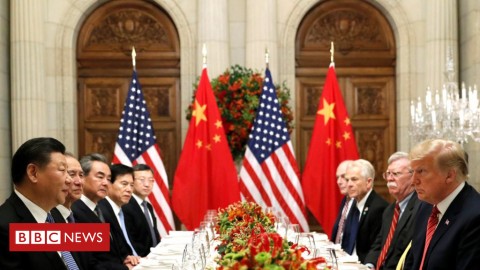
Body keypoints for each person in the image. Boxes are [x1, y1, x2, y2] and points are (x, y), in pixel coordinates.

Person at [0, 137, 77, 269]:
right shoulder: (5, 228)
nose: (70, 180)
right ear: (33, 173)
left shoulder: (56, 215)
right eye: (62, 170)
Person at [404, 139, 480, 269]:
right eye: (412, 172)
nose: (413, 181)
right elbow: (413, 260)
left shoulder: (475, 217)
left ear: (449, 175)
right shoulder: (425, 205)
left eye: (421, 171)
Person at [364, 152, 420, 270]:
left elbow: (407, 254)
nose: (389, 178)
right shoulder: (389, 211)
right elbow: (379, 245)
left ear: (412, 176)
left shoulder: (420, 209)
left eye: (395, 174)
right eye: (388, 174)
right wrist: (369, 265)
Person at [343, 159, 388, 263]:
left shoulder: (378, 208)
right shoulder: (354, 203)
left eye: (354, 179)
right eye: (347, 180)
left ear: (368, 182)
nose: (349, 184)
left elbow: (375, 249)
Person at [97, 164, 141, 269]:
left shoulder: (121, 209)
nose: (129, 189)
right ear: (109, 184)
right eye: (124, 184)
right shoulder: (101, 211)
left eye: (131, 185)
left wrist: (127, 257)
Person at [123, 164, 161, 256]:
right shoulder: (125, 206)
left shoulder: (148, 206)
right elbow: (129, 240)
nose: (147, 184)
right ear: (131, 182)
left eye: (151, 180)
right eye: (142, 180)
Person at [71, 153, 110, 224]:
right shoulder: (73, 210)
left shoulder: (104, 209)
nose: (106, 183)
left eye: (108, 179)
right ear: (83, 177)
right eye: (100, 177)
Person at [331, 160, 354, 244]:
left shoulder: (359, 203)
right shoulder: (346, 200)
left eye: (343, 177)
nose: (338, 182)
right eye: (337, 177)